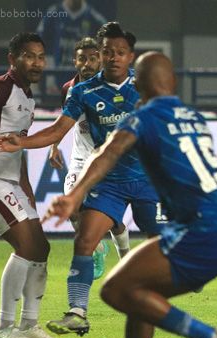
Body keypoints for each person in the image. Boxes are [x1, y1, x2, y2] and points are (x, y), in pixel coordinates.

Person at [43, 51, 217, 338]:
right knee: (142, 296)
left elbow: (108, 152)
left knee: (115, 290)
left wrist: (74, 194)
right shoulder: (194, 116)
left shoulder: (145, 116)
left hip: (203, 231)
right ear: (175, 83)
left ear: (138, 85)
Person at [0, 22, 163, 337]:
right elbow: (58, 129)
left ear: (130, 56)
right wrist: (23, 142)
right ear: (99, 54)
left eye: (120, 52)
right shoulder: (82, 91)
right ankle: (77, 312)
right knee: (85, 240)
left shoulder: (147, 86)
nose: (113, 57)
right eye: (107, 51)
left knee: (160, 245)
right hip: (106, 180)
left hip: (147, 178)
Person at [0, 32, 64, 338]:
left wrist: (28, 189)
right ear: (13, 59)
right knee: (26, 247)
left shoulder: (28, 97)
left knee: (41, 249)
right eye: (29, 56)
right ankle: (4, 327)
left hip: (10, 183)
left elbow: (18, 150)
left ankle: (29, 324)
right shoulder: (1, 88)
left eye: (40, 56)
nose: (36, 62)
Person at [48, 36, 131, 280]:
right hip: (81, 158)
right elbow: (63, 121)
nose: (88, 63)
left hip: (108, 159)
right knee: (72, 208)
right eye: (82, 58)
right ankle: (97, 249)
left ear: (101, 59)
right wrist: (54, 147)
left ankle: (126, 258)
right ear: (75, 61)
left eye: (93, 58)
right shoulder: (69, 89)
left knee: (114, 221)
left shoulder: (112, 86)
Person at [37, 0, 107, 93]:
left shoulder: (94, 17)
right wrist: (49, 80)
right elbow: (38, 46)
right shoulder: (54, 13)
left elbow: (106, 49)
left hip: (85, 83)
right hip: (56, 83)